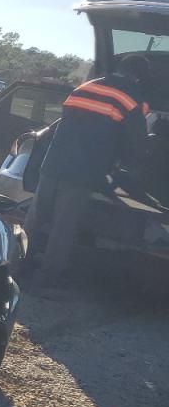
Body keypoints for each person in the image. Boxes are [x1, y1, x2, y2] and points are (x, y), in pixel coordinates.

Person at [24, 54, 150, 285]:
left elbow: (64, 124)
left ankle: (16, 267)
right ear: (139, 77)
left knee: (35, 217)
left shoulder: (85, 87)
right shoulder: (131, 99)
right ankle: (46, 279)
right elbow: (135, 144)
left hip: (53, 164)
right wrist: (132, 168)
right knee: (63, 226)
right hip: (83, 172)